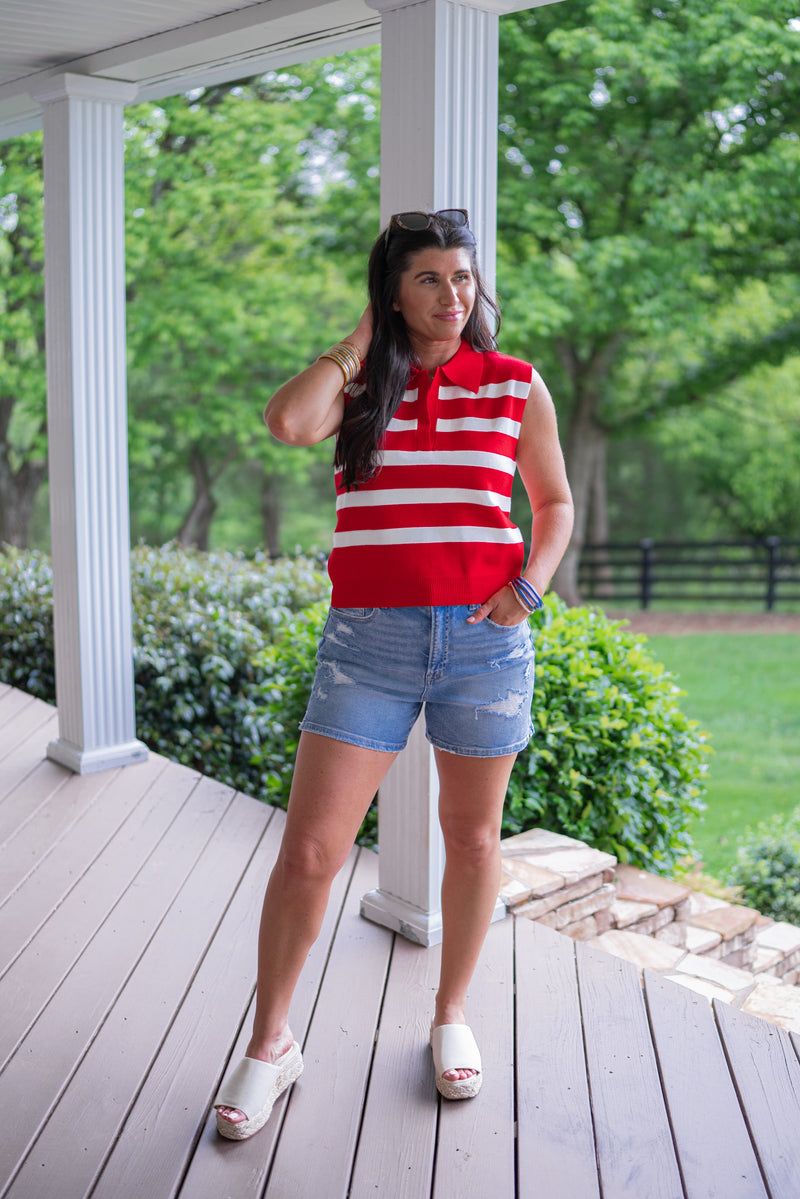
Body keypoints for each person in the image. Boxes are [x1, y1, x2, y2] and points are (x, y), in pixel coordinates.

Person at [214, 208, 574, 1140]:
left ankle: (451, 1014)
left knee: (474, 838)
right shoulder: (357, 386)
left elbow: (556, 503)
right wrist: (361, 342)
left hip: (485, 643)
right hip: (368, 642)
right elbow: (288, 421)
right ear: (393, 291)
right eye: (427, 280)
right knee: (310, 852)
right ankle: (270, 1044)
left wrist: (529, 587)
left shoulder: (515, 384)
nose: (453, 296)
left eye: (463, 278)